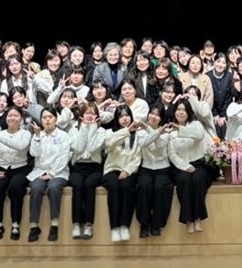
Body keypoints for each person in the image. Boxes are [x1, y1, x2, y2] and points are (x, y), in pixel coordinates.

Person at [27, 107, 71, 243]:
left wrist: (51, 173)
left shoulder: (64, 136)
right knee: (36, 188)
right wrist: (38, 137)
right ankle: (34, 225)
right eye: (44, 117)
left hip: (59, 171)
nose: (47, 120)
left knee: (53, 187)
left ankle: (54, 224)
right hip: (39, 171)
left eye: (50, 117)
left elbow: (64, 158)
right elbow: (34, 153)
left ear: (56, 119)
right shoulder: (37, 135)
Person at [0, 106, 32, 241]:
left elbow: (20, 146)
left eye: (16, 115)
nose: (12, 118)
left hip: (20, 169)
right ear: (6, 118)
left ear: (21, 119)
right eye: (9, 115)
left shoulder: (25, 134)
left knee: (16, 187)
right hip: (2, 169)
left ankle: (15, 223)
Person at [169, 99, 211, 234]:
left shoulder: (196, 124)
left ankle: (197, 218)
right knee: (184, 181)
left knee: (198, 179)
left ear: (188, 112)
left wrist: (180, 129)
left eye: (183, 110)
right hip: (181, 166)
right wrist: (185, 166)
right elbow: (172, 154)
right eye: (178, 109)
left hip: (199, 163)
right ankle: (188, 219)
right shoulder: (170, 131)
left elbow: (199, 136)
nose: (180, 112)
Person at [102, 105, 142, 242]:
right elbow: (109, 143)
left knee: (127, 187)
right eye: (121, 116)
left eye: (127, 115)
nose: (124, 119)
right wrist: (126, 131)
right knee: (114, 187)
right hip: (112, 169)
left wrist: (127, 170)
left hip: (128, 170)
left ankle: (124, 225)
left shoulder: (138, 135)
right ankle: (114, 227)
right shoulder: (109, 132)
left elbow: (137, 157)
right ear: (116, 119)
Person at [68, 102, 106, 240]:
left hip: (94, 168)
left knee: (89, 185)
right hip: (77, 167)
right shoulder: (73, 130)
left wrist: (93, 128)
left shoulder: (102, 131)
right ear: (81, 115)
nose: (89, 116)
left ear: (97, 115)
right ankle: (76, 224)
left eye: (92, 113)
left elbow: (91, 148)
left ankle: (89, 225)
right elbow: (77, 148)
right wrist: (84, 127)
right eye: (87, 113)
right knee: (77, 185)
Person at [136, 106, 175, 238]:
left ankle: (157, 224)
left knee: (161, 188)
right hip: (146, 167)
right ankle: (144, 224)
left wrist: (155, 131)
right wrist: (155, 131)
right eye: (151, 114)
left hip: (163, 168)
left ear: (161, 118)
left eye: (157, 115)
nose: (153, 117)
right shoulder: (140, 132)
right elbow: (144, 143)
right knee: (143, 186)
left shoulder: (167, 132)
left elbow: (159, 147)